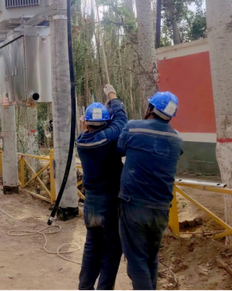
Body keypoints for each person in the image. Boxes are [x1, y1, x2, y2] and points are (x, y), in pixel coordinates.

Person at [117, 91, 183, 291]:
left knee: (137, 262)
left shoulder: (133, 127)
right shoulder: (177, 138)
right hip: (161, 209)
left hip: (134, 206)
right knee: (151, 259)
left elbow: (119, 149)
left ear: (150, 109)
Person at [76, 85, 128, 291]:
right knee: (112, 250)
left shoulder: (82, 141)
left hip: (91, 205)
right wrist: (112, 96)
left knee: (92, 246)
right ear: (106, 123)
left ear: (86, 123)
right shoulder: (106, 139)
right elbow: (121, 121)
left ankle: (84, 287)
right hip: (109, 204)